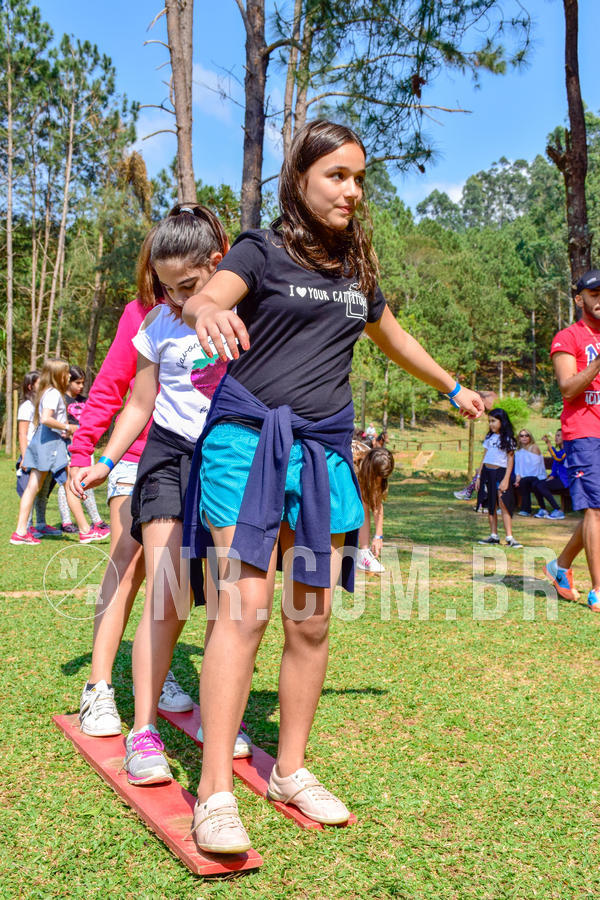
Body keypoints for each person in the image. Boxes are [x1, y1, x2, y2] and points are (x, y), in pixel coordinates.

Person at [180, 119, 484, 854]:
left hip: (322, 456)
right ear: (301, 179)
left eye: (359, 179)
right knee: (245, 611)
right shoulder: (260, 248)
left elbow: (394, 336)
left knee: (310, 620)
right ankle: (216, 790)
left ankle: (288, 770)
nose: (352, 191)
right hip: (247, 444)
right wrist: (210, 308)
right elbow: (205, 299)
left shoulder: (356, 273)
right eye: (337, 176)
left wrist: (452, 388)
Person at [72, 204, 252, 781]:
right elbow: (138, 404)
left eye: (188, 287)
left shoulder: (244, 314)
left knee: (228, 596)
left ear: (218, 267)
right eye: (166, 287)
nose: (175, 299)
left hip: (225, 458)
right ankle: (143, 730)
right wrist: (103, 458)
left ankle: (215, 714)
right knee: (167, 589)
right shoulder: (156, 326)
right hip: (168, 459)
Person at [69, 226, 193, 736]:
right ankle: (98, 687)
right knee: (130, 558)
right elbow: (113, 387)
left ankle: (154, 671)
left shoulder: (230, 303)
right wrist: (84, 451)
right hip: (136, 453)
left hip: (197, 458)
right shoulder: (142, 312)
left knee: (180, 575)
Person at [544, 269, 600, 609]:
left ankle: (560, 566)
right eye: (594, 294)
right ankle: (598, 588)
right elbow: (568, 387)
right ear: (579, 299)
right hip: (583, 432)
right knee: (595, 509)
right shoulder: (568, 337)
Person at [11, 360, 91, 545]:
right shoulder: (53, 393)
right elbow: (47, 419)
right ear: (57, 375)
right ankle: (85, 530)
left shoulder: (48, 393)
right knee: (66, 483)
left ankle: (21, 531)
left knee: (40, 486)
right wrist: (68, 427)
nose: (69, 376)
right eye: (66, 373)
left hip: (48, 441)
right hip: (51, 444)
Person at [56, 366, 111, 539]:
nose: (80, 386)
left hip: (85, 447)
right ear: (68, 382)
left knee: (84, 481)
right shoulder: (61, 401)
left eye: (82, 383)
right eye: (77, 383)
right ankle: (68, 521)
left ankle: (96, 520)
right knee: (69, 484)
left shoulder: (85, 401)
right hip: (67, 447)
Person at [476, 408, 522, 548]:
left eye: (494, 421)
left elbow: (510, 460)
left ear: (502, 421)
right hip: (487, 473)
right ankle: (493, 535)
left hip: (501, 473)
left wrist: (506, 479)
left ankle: (509, 537)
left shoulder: (508, 439)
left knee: (504, 504)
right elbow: (484, 457)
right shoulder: (489, 438)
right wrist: (479, 476)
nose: (491, 424)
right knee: (491, 505)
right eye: (489, 421)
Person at [355, 447, 395, 574]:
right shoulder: (355, 464)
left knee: (366, 500)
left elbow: (377, 504)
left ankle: (363, 553)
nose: (380, 481)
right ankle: (363, 552)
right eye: (378, 476)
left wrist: (378, 536)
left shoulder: (377, 464)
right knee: (363, 503)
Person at [514, 429, 548, 516]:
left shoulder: (534, 447)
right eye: (521, 436)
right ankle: (513, 507)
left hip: (537, 475)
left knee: (527, 481)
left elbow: (535, 466)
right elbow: (518, 466)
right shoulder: (518, 451)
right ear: (519, 438)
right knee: (518, 481)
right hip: (524, 476)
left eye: (526, 435)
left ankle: (540, 508)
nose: (524, 437)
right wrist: (518, 476)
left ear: (530, 437)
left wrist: (521, 477)